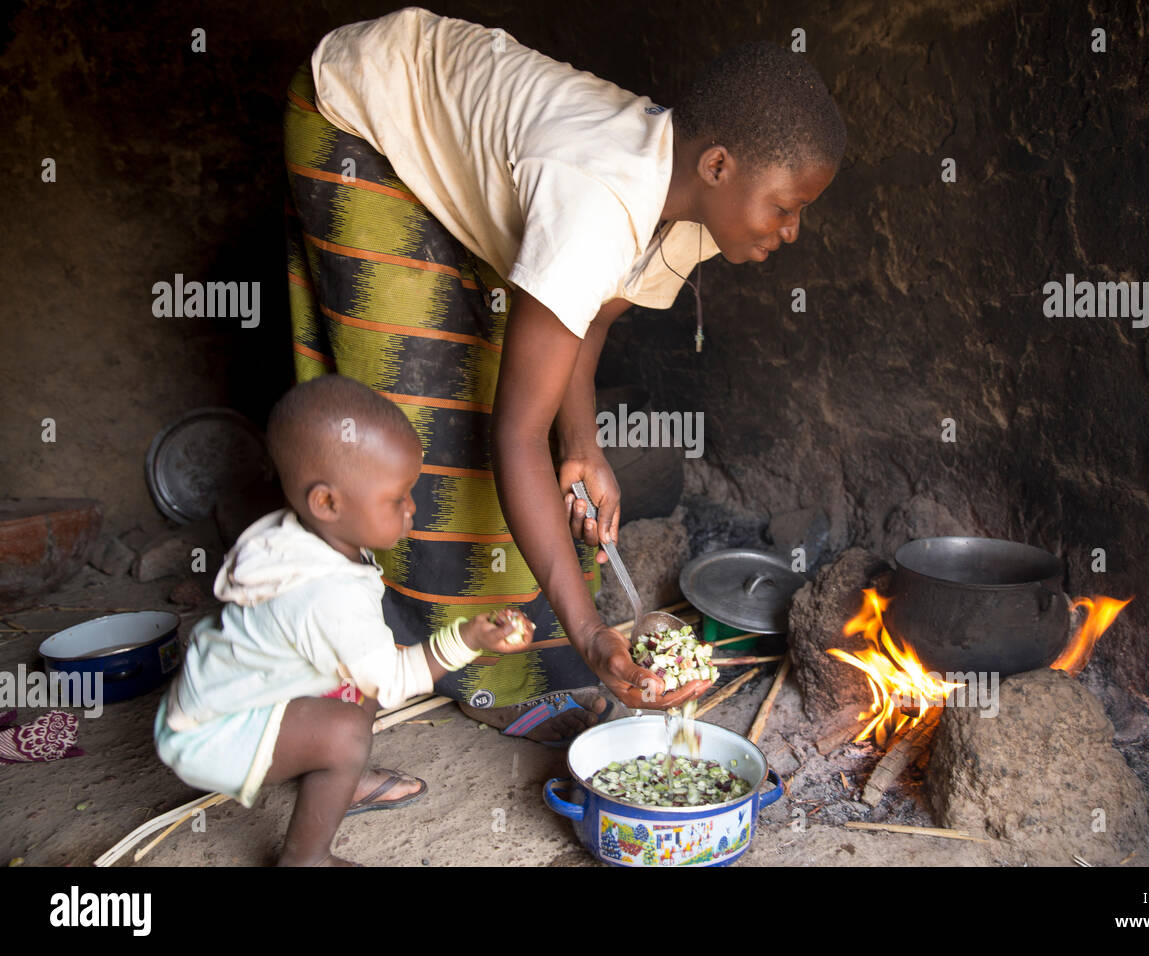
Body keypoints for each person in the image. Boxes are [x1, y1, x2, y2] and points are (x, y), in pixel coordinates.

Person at [283, 7, 845, 742]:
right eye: (785, 207)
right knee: (426, 413)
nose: (793, 230)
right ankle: (458, 670)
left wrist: (582, 443)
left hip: (459, 135)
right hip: (362, 113)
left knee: (519, 383)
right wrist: (589, 632)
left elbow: (593, 315)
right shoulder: (597, 204)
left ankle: (532, 656)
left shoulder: (693, 209)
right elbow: (516, 435)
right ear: (718, 167)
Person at [154, 375, 536, 866]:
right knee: (347, 733)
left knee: (358, 689)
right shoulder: (325, 595)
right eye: (397, 498)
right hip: (209, 732)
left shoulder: (302, 537)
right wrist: (469, 637)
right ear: (327, 503)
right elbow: (396, 684)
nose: (412, 509)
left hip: (231, 693)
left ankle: (340, 781)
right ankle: (306, 858)